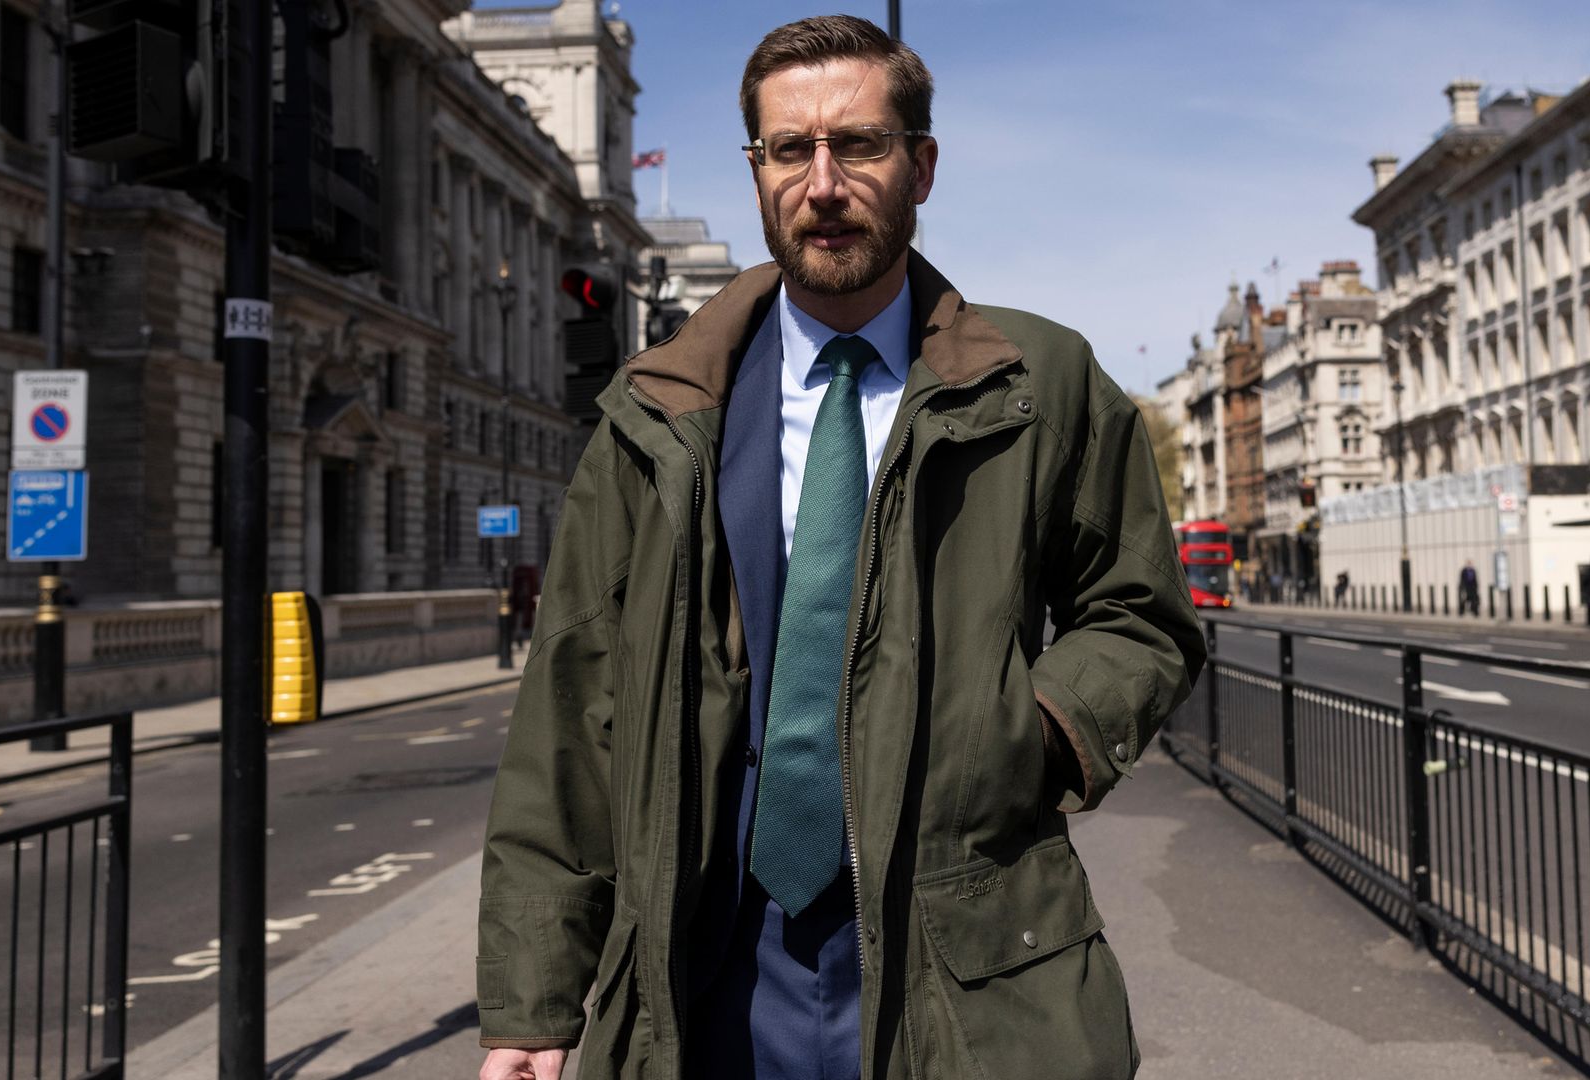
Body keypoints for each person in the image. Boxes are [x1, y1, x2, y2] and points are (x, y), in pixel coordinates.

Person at [474, 17, 1204, 1080]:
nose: (822, 182)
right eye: (788, 150)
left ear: (921, 165)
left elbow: (1139, 614)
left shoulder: (1043, 384)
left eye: (858, 144)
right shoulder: (658, 413)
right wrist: (532, 1007)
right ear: (758, 169)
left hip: (964, 959)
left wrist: (1025, 735)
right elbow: (570, 714)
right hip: (710, 968)